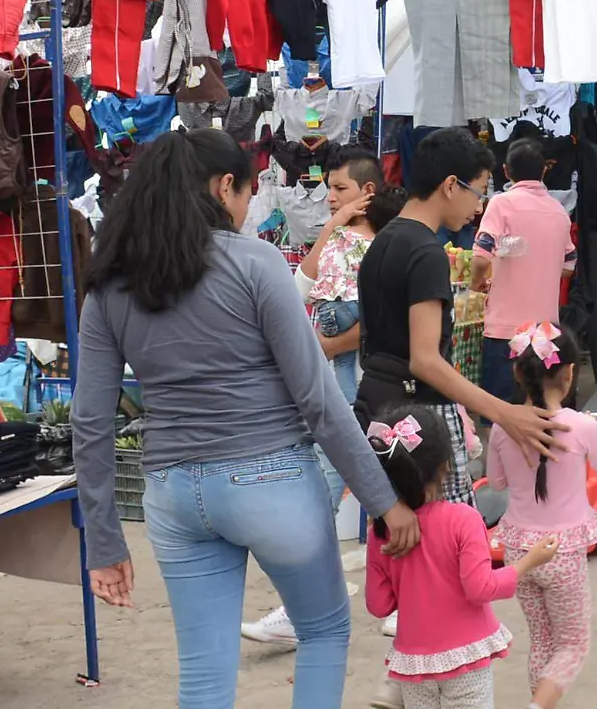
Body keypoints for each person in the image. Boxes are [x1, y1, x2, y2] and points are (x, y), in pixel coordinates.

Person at [73, 129, 419, 709]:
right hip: (271, 481)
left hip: (173, 494)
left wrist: (103, 542)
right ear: (223, 186)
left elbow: (90, 423)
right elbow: (318, 398)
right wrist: (384, 501)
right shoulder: (254, 262)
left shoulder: (111, 284)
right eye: (246, 192)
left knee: (204, 680)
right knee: (325, 631)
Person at [243, 153, 409, 647]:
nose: (330, 197)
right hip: (335, 378)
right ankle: (304, 607)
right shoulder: (337, 240)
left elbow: (389, 320)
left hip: (366, 377)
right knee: (328, 487)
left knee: (394, 488)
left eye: (338, 190)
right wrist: (332, 227)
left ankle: (408, 600)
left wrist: (335, 344)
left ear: (368, 195)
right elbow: (300, 290)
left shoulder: (389, 246)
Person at [356, 127, 564, 510]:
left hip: (377, 406)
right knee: (448, 541)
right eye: (479, 191)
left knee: (403, 541)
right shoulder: (426, 252)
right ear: (451, 185)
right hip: (422, 417)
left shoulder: (383, 241)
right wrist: (505, 413)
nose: (479, 207)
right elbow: (425, 359)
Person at [365, 404, 560, 709]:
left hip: (414, 664)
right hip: (465, 656)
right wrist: (528, 561)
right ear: (445, 467)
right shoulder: (463, 519)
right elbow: (480, 588)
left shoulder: (380, 531)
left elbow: (379, 605)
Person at [487, 325, 597, 709]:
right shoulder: (582, 426)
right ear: (569, 374)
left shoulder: (502, 427)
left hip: (518, 551)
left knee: (543, 641)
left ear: (517, 373)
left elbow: (496, 482)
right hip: (562, 553)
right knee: (573, 644)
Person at [472, 138, 576, 402]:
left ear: (506, 171)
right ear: (544, 170)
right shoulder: (559, 212)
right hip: (545, 335)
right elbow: (568, 266)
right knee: (540, 406)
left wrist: (477, 284)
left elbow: (481, 256)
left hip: (505, 332)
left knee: (502, 415)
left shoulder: (500, 204)